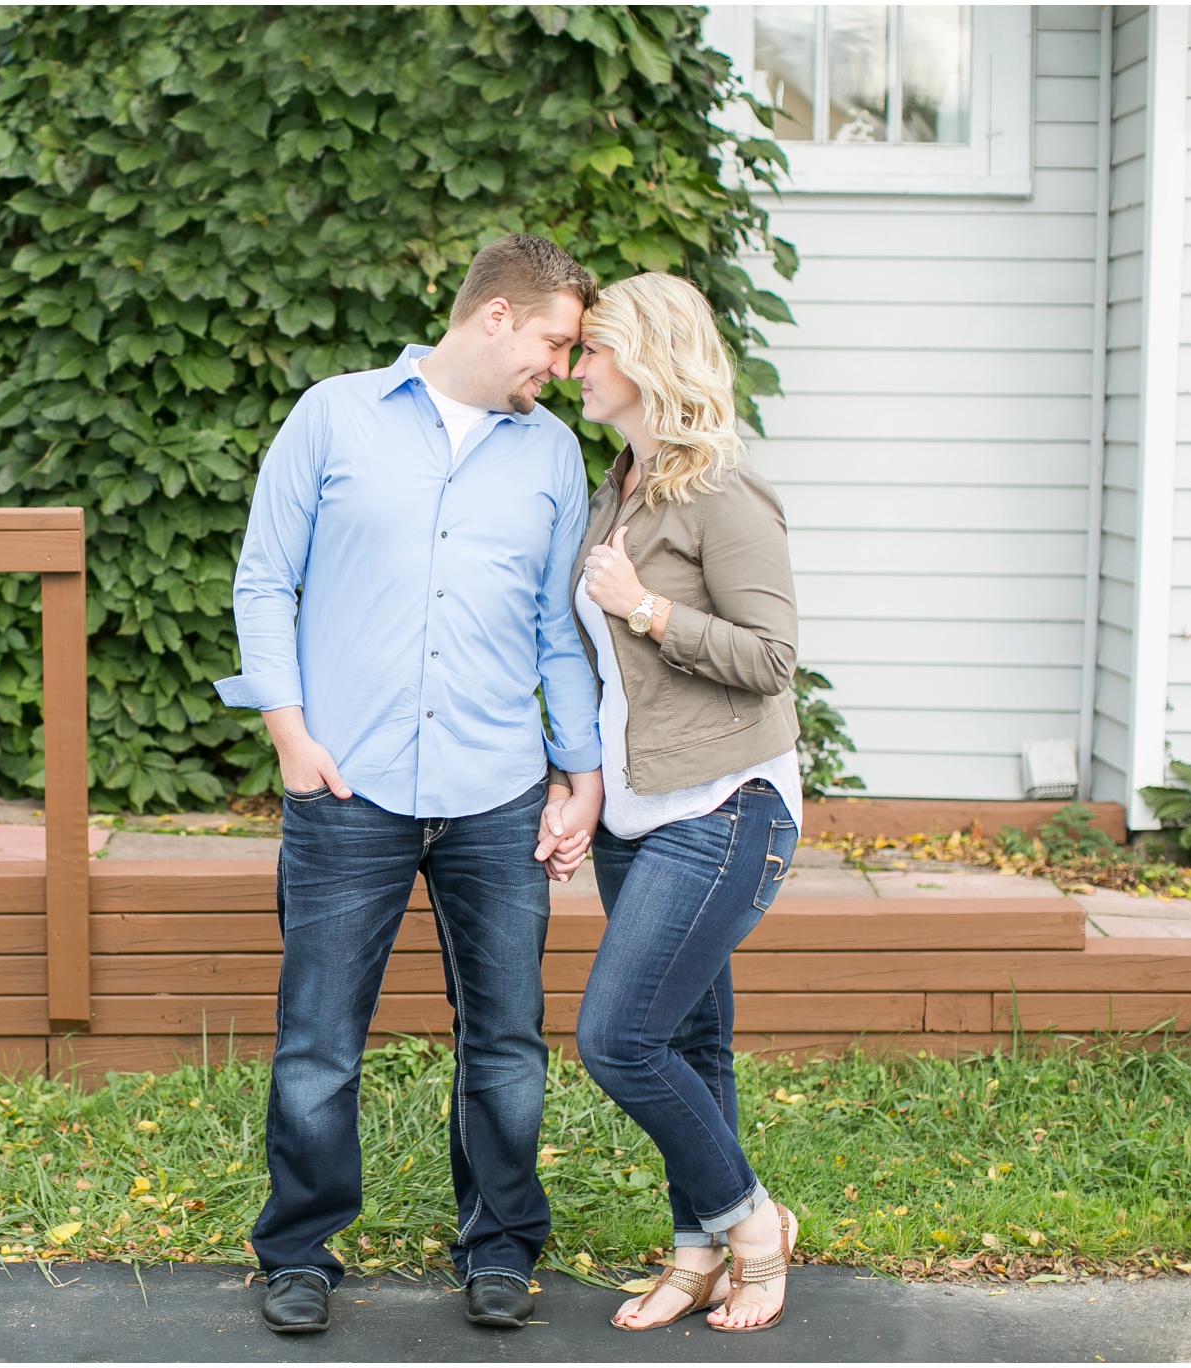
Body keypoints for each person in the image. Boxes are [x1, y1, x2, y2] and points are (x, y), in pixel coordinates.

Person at [216, 233, 608, 1335]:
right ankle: (297, 1249)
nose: (561, 368)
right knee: (318, 1039)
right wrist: (288, 734)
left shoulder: (548, 458)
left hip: (494, 789)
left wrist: (575, 773)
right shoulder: (332, 416)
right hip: (348, 787)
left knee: (505, 1039)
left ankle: (496, 1246)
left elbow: (553, 630)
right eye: (552, 342)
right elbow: (264, 580)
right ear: (494, 317)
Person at [545, 271, 803, 1333]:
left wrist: (646, 608)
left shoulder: (719, 493)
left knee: (616, 1039)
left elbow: (772, 658)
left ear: (647, 357)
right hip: (636, 814)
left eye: (592, 348)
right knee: (691, 1046)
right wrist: (581, 784)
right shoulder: (618, 487)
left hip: (726, 806)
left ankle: (750, 1222)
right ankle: (698, 1252)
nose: (575, 367)